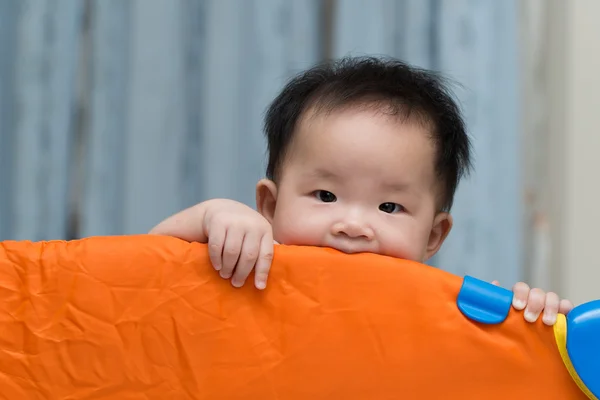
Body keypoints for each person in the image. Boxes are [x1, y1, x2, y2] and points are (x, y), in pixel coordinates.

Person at [149, 56, 573, 326]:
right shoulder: (244, 271)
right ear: (269, 205)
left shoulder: (442, 318)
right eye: (325, 196)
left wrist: (530, 326)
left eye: (389, 206)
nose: (352, 225)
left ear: (432, 236)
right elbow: (137, 277)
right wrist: (213, 217)